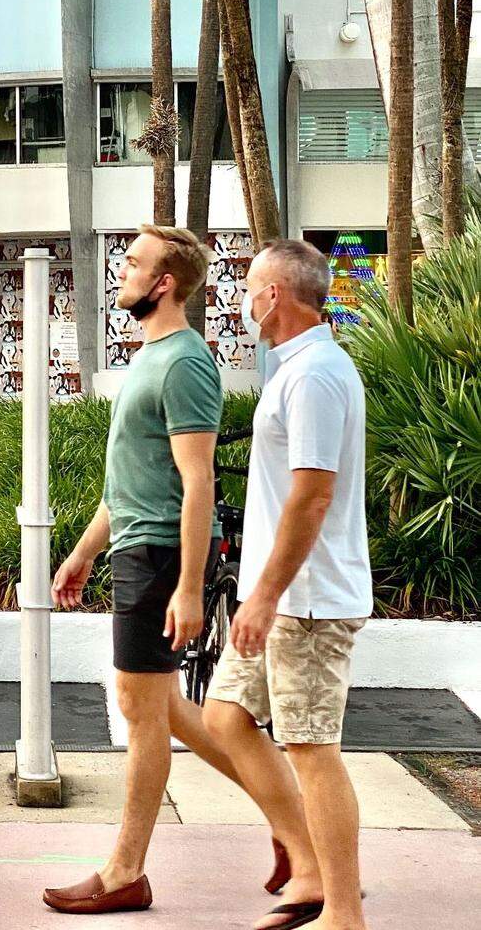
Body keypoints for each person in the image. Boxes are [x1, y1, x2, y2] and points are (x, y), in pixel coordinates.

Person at [43, 225, 312, 918]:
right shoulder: (152, 355)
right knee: (170, 711)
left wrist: (190, 586)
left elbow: (197, 484)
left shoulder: (186, 362)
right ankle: (297, 831)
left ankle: (124, 871)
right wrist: (83, 550)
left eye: (133, 263)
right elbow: (129, 481)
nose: (121, 272)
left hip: (161, 553)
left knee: (142, 712)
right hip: (138, 545)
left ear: (165, 283)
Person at [205, 240, 373, 930]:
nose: (245, 299)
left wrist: (266, 595)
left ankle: (343, 913)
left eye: (250, 286)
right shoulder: (296, 368)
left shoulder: (316, 376)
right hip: (279, 597)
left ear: (276, 294)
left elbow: (312, 496)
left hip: (305, 601)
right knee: (225, 718)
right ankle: (308, 868)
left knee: (311, 747)